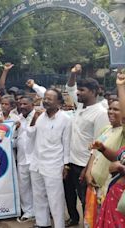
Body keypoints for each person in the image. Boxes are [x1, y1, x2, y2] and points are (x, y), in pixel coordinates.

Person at [64, 64, 109, 227]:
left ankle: (88, 223)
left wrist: (87, 169)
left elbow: (99, 144)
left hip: (84, 164)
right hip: (71, 161)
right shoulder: (81, 106)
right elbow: (70, 87)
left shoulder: (101, 113)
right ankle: (74, 219)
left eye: (82, 90)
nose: (78, 92)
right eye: (79, 89)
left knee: (85, 199)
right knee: (69, 195)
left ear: (94, 92)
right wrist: (73, 74)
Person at [28, 89, 71, 228]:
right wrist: (34, 118)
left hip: (54, 163)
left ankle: (59, 225)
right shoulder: (40, 116)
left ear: (58, 102)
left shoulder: (65, 119)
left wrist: (66, 165)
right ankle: (42, 223)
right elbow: (30, 135)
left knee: (55, 199)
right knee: (39, 196)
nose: (45, 101)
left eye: (50, 99)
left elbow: (67, 143)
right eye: (45, 98)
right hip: (37, 162)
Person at [83, 99, 124, 227]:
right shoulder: (106, 129)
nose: (111, 112)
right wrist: (88, 172)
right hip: (94, 185)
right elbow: (94, 153)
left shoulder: (122, 132)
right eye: (110, 108)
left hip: (108, 186)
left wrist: (121, 85)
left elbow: (114, 157)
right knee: (94, 220)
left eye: (116, 109)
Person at [15, 95, 36, 222]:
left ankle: (40, 212)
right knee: (24, 186)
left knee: (37, 187)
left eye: (25, 104)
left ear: (32, 104)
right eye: (20, 104)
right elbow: (14, 138)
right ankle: (28, 211)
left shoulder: (38, 116)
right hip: (22, 157)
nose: (22, 106)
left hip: (35, 157)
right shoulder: (18, 119)